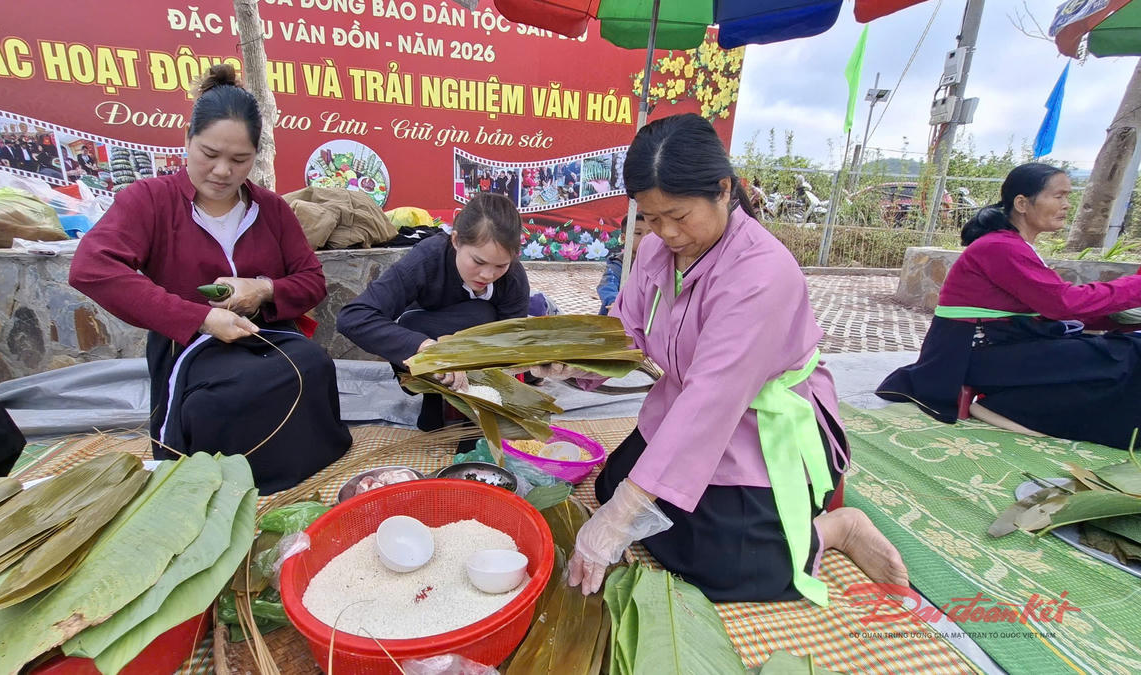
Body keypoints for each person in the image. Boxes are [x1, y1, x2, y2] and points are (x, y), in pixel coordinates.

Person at [530, 114, 907, 603]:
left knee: (725, 569)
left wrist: (625, 513)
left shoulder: (761, 273)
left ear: (724, 190)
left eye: (679, 216)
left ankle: (836, 528)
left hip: (760, 428)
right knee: (610, 490)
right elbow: (625, 331)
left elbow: (714, 397)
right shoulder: (654, 253)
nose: (665, 233)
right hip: (688, 410)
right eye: (649, 217)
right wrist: (578, 362)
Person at [69, 64, 352, 494]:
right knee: (224, 400)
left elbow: (311, 280)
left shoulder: (271, 209)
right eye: (209, 154)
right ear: (187, 141)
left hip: (268, 337)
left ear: (256, 155)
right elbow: (92, 267)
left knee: (313, 364)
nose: (222, 171)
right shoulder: (150, 201)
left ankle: (294, 473)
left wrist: (264, 289)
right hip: (192, 348)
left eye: (239, 160)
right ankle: (227, 487)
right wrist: (199, 317)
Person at [878, 163, 1141, 449]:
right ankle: (1011, 409)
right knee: (1126, 354)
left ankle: (1018, 407)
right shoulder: (999, 247)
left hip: (1001, 348)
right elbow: (1062, 303)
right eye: (1058, 196)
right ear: (1022, 203)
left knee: (1123, 347)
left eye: (1068, 196)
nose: (1067, 205)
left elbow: (1050, 307)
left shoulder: (1014, 246)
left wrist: (1120, 320)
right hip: (973, 357)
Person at [336, 192, 530, 432]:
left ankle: (466, 406)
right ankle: (434, 396)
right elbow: (353, 316)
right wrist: (426, 347)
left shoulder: (513, 279)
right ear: (456, 241)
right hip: (423, 346)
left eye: (500, 265)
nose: (488, 275)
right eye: (478, 262)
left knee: (486, 320)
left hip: (478, 361)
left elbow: (512, 341)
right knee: (470, 318)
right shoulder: (427, 258)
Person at [596, 213, 650, 315]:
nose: (645, 238)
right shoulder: (617, 264)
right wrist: (614, 301)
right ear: (624, 238)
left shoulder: (659, 261)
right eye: (638, 233)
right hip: (621, 315)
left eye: (650, 233)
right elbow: (607, 284)